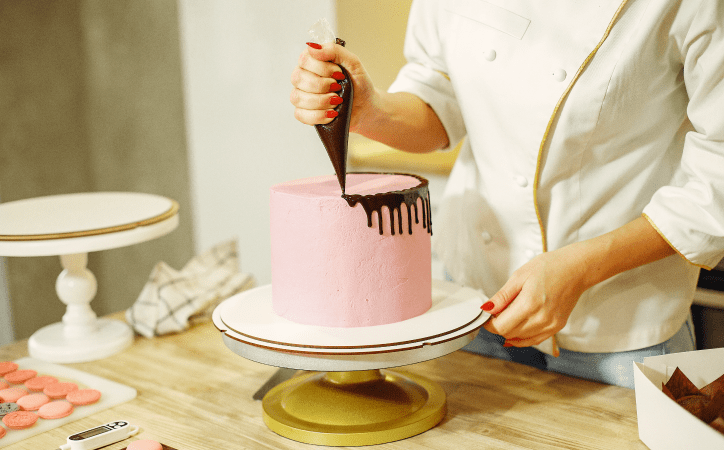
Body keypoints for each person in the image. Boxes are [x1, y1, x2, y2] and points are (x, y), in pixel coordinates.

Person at [290, 0, 724, 388]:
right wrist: (372, 110)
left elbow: (716, 178)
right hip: (472, 307)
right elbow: (441, 98)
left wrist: (582, 268)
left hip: (620, 331)